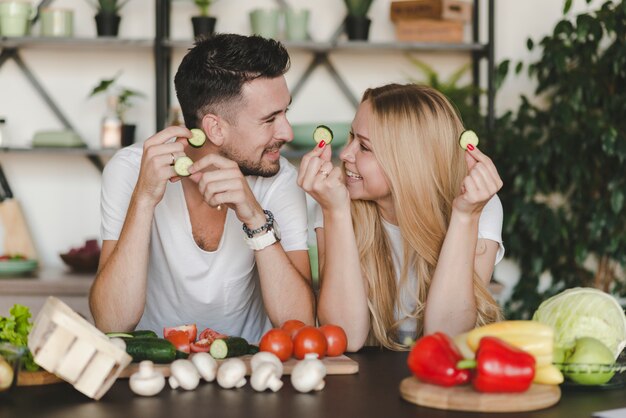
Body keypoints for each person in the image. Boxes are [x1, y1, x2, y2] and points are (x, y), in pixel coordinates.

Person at [90, 34, 314, 343]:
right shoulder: (129, 170)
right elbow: (110, 323)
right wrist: (143, 200)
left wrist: (255, 219)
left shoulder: (279, 179)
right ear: (215, 128)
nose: (286, 132)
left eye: (285, 112)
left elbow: (300, 324)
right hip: (154, 369)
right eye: (270, 119)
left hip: (252, 369)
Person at [298, 83, 504, 351]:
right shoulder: (333, 199)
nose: (344, 154)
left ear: (408, 161)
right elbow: (345, 336)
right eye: (351, 138)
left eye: (365, 147)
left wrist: (465, 217)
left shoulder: (479, 204)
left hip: (443, 377)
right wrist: (334, 212)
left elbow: (447, 336)